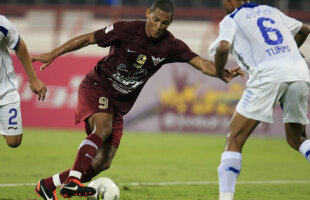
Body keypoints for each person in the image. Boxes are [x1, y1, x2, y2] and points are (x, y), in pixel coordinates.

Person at [32, 0, 243, 199]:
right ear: (148, 14)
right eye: (156, 19)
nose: (159, 26)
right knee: (102, 129)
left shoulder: (171, 45)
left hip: (119, 104)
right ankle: (73, 181)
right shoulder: (125, 29)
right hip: (97, 86)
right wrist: (53, 53)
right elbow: (88, 38)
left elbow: (202, 64)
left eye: (165, 23)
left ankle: (48, 185)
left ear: (170, 23)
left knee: (103, 162)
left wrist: (220, 72)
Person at [208, 0, 310, 200]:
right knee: (297, 139)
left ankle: (225, 198)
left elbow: (222, 48)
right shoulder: (271, 11)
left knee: (235, 138)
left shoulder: (232, 19)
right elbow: (304, 30)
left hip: (267, 77)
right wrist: (287, 53)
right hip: (299, 72)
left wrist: (220, 72)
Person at [0, 15, 47, 148]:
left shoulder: (2, 24)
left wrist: (33, 79)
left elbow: (19, 44)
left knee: (14, 141)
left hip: (5, 90)